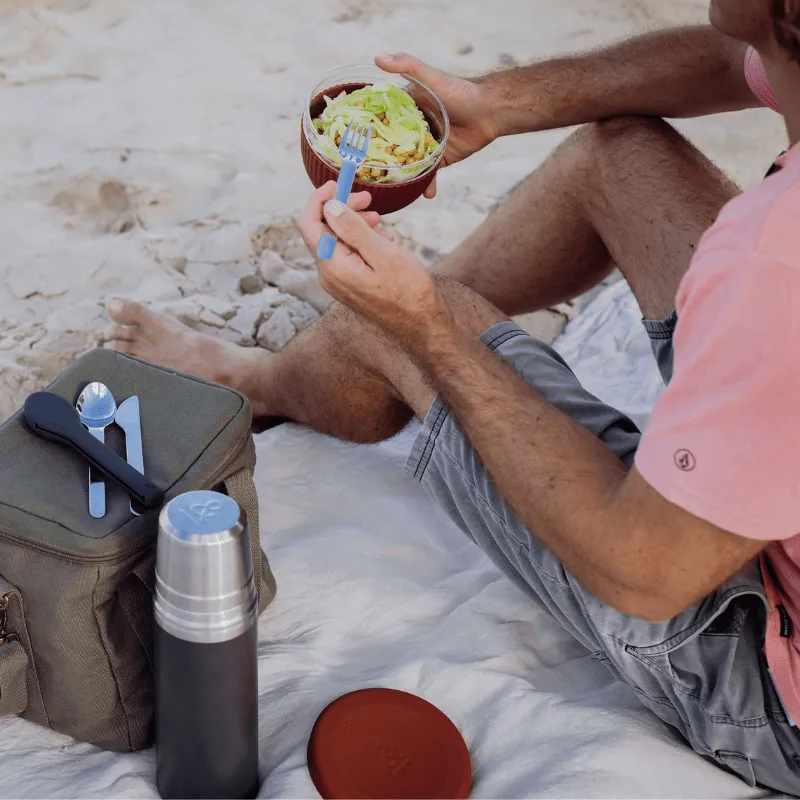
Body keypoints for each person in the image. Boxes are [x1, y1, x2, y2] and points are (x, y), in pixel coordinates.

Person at [105, 2, 800, 791]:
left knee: (406, 330)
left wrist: (426, 327)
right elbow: (727, 60)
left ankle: (265, 382)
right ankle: (349, 347)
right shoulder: (786, 69)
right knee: (618, 153)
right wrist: (497, 104)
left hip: (766, 692)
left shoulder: (776, 255)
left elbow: (645, 574)